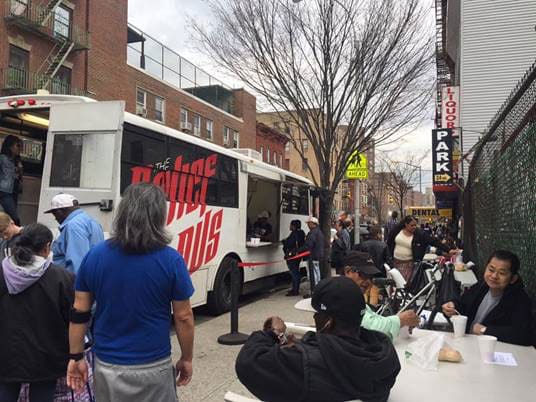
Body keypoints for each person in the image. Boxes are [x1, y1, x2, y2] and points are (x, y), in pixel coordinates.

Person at [66, 183, 195, 401]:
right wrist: (187, 358)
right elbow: (183, 317)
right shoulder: (172, 260)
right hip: (154, 366)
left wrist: (76, 355)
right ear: (159, 216)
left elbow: (79, 311)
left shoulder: (95, 256)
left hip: (107, 366)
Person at [235, 276, 401, 402]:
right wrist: (302, 346)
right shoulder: (384, 356)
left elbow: (247, 362)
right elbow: (338, 354)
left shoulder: (305, 364)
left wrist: (273, 332)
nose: (314, 319)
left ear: (328, 322)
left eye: (316, 315)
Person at [0, 224, 74, 402]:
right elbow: (72, 318)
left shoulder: (2, 271)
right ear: (47, 246)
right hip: (47, 354)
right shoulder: (62, 278)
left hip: (5, 351)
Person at [442, 250, 534, 346]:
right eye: (491, 270)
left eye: (501, 273)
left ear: (513, 279)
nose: (494, 276)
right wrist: (452, 306)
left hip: (492, 351)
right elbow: (463, 304)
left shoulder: (520, 300)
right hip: (467, 344)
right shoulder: (481, 287)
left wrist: (485, 330)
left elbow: (524, 335)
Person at [341, 251, 420, 341]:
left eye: (371, 278)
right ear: (348, 271)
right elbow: (371, 328)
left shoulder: (354, 296)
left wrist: (401, 324)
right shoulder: (339, 295)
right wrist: (401, 320)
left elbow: (374, 319)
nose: (368, 282)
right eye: (364, 275)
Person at [45, 193, 104, 274]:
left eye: (54, 214)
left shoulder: (73, 226)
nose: (55, 218)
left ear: (59, 212)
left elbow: (76, 263)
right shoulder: (93, 221)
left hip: (72, 282)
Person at [386, 215, 454, 282]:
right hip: (395, 263)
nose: (414, 227)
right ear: (406, 224)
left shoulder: (419, 234)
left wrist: (448, 249)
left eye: (415, 225)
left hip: (410, 265)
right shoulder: (397, 230)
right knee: (395, 285)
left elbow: (433, 241)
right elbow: (389, 242)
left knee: (406, 286)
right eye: (412, 225)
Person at [0, 135, 23, 225]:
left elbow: (18, 177)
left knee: (10, 217)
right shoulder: (2, 158)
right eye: (17, 146)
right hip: (4, 191)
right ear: (10, 146)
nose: (19, 149)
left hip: (13, 191)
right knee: (15, 218)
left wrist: (20, 170)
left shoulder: (16, 160)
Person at [302, 216, 324, 296]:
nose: (308, 225)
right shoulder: (319, 232)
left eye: (309, 223)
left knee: (312, 274)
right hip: (318, 256)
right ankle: (318, 290)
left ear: (313, 224)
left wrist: (300, 250)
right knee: (317, 273)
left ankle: (313, 291)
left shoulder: (312, 233)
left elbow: (309, 245)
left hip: (312, 256)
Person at [282, 219, 305, 296]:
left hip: (292, 256)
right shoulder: (301, 233)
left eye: (291, 225)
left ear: (293, 226)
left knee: (294, 273)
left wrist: (284, 242)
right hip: (298, 255)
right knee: (296, 272)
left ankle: (295, 290)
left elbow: (289, 244)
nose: (290, 226)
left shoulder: (294, 234)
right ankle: (295, 289)